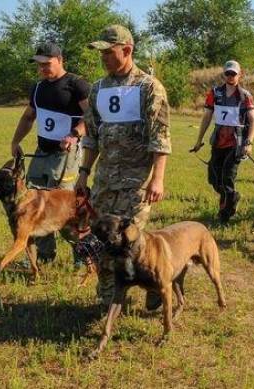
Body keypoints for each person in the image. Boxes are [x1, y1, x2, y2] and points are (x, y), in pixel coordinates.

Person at [78, 24, 171, 307]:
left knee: (131, 242)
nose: (103, 58)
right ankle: (109, 297)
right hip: (105, 182)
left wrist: (158, 179)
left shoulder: (148, 87)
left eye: (108, 52)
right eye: (101, 53)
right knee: (102, 240)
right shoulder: (98, 89)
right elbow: (92, 136)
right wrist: (84, 173)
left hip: (137, 183)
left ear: (127, 50)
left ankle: (156, 283)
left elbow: (160, 137)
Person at [9, 42, 90, 266]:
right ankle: (45, 256)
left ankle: (82, 256)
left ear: (60, 60)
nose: (42, 68)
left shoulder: (77, 85)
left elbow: (92, 116)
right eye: (39, 65)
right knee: (33, 205)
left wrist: (74, 134)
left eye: (47, 63)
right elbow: (28, 117)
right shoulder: (37, 88)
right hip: (41, 154)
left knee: (65, 206)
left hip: (66, 156)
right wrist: (16, 141)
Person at [191, 60, 254, 224]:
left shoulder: (245, 96)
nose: (230, 76)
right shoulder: (215, 93)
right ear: (224, 74)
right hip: (218, 142)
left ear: (240, 74)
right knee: (214, 179)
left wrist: (248, 143)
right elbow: (207, 117)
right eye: (228, 73)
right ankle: (232, 197)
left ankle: (224, 215)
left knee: (227, 179)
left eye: (233, 73)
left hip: (236, 145)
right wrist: (199, 141)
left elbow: (253, 121)